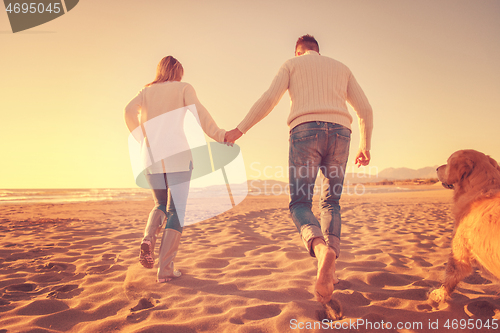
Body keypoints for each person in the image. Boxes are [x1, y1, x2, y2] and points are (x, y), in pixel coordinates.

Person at [225, 35, 373, 304]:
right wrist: (366, 145)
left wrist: (240, 129)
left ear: (298, 51)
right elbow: (365, 109)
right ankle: (330, 265)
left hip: (305, 131)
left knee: (300, 203)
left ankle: (320, 250)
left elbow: (269, 99)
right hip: (341, 132)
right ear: (318, 51)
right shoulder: (341, 68)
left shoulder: (292, 65)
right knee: (331, 203)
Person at [125, 56, 226, 282]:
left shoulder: (145, 91)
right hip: (177, 155)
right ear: (178, 72)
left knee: (160, 204)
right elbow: (199, 112)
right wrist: (219, 134)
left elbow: (128, 110)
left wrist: (142, 138)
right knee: (176, 211)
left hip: (150, 156)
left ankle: (149, 238)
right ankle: (166, 269)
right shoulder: (183, 88)